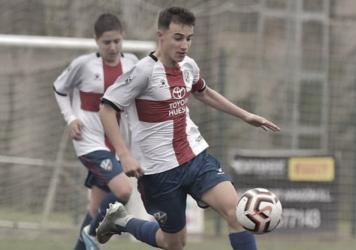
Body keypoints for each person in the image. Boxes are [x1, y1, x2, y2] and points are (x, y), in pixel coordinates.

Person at [97, 6, 280, 250]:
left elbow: (204, 93)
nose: (184, 45)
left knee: (237, 215)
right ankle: (121, 220)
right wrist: (124, 154)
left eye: (189, 38)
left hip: (195, 158)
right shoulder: (143, 72)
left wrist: (245, 115)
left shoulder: (188, 66)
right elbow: (106, 109)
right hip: (159, 172)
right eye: (178, 38)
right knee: (173, 243)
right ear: (161, 35)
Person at [53, 13, 138, 250]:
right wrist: (70, 119)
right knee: (123, 190)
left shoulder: (132, 63)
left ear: (123, 38)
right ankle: (93, 234)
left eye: (117, 41)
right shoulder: (83, 65)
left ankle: (86, 239)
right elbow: (59, 89)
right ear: (96, 41)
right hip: (88, 142)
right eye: (106, 42)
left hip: (114, 145)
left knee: (94, 210)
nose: (112, 47)